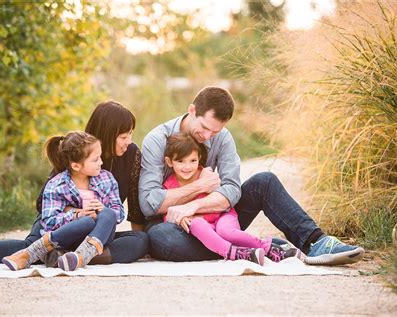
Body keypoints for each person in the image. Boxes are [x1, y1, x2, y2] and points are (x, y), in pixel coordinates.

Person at [139, 86, 365, 266]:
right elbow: (150, 204)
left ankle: (317, 242)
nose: (207, 137)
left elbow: (232, 190)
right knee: (160, 238)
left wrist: (193, 206)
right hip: (176, 227)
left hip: (218, 222)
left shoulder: (223, 138)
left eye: (214, 132)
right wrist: (199, 188)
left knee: (264, 182)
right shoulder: (157, 140)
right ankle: (249, 249)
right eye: (204, 127)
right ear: (191, 111)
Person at [0, 101, 148, 265]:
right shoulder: (78, 150)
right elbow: (44, 203)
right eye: (123, 136)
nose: (129, 140)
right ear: (107, 134)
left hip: (98, 226)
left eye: (130, 134)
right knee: (29, 245)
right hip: (62, 222)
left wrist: (105, 214)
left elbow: (133, 203)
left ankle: (65, 256)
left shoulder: (131, 154)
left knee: (140, 241)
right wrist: (77, 212)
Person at [162, 133, 303, 265]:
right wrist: (180, 218)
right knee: (197, 224)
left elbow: (222, 197)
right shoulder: (169, 187)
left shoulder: (207, 176)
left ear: (199, 157)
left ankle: (269, 248)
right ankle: (236, 253)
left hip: (223, 215)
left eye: (192, 160)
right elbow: (167, 213)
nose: (187, 167)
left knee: (225, 231)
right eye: (180, 161)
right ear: (169, 162)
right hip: (204, 224)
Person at [3, 131, 122, 271]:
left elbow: (119, 213)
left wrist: (102, 209)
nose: (101, 162)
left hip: (101, 236)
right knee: (87, 221)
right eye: (95, 159)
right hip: (69, 238)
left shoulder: (107, 178)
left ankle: (76, 256)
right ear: (76, 166)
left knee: (111, 215)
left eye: (100, 157)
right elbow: (49, 222)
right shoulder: (57, 185)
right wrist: (77, 215)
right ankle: (36, 254)